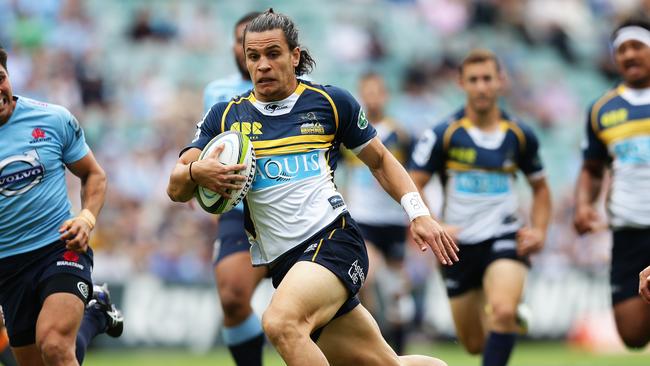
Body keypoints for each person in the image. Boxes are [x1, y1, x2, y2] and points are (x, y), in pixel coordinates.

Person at [167, 9, 457, 366]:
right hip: (286, 263)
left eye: (273, 54)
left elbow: (381, 161)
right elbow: (175, 186)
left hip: (334, 241)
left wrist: (419, 213)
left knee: (280, 322)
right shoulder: (226, 117)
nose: (262, 65)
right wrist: (197, 171)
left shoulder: (331, 103)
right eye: (253, 56)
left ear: (295, 56)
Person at [408, 49, 551, 366]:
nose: (482, 86)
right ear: (461, 84)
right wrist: (431, 222)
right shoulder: (444, 134)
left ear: (501, 81)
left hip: (504, 235)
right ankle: (507, 322)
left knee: (501, 310)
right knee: (473, 344)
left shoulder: (520, 135)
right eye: (474, 80)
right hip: (457, 244)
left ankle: (507, 313)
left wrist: (540, 230)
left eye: (488, 78)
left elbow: (541, 189)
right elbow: (413, 182)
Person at [0, 47, 123, 366]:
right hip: (8, 267)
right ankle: (96, 313)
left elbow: (93, 174)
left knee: (54, 345)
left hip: (59, 248)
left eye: (0, 78)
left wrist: (86, 217)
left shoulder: (52, 119)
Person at [574, 18, 650, 349]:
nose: (630, 55)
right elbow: (592, 167)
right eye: (622, 49)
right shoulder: (602, 111)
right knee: (632, 334)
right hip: (627, 229)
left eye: (638, 46)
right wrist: (584, 205)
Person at [201, 12, 267, 366]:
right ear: (233, 47)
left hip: (293, 206)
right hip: (238, 213)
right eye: (242, 43)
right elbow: (206, 149)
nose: (248, 51)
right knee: (232, 296)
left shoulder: (305, 89)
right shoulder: (216, 92)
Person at [345, 71, 413, 354]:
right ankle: (374, 341)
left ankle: (399, 344)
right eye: (367, 92)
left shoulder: (401, 135)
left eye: (376, 92)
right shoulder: (349, 134)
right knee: (367, 278)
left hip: (394, 221)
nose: (371, 98)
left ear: (385, 95)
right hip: (363, 218)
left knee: (396, 291)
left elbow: (414, 177)